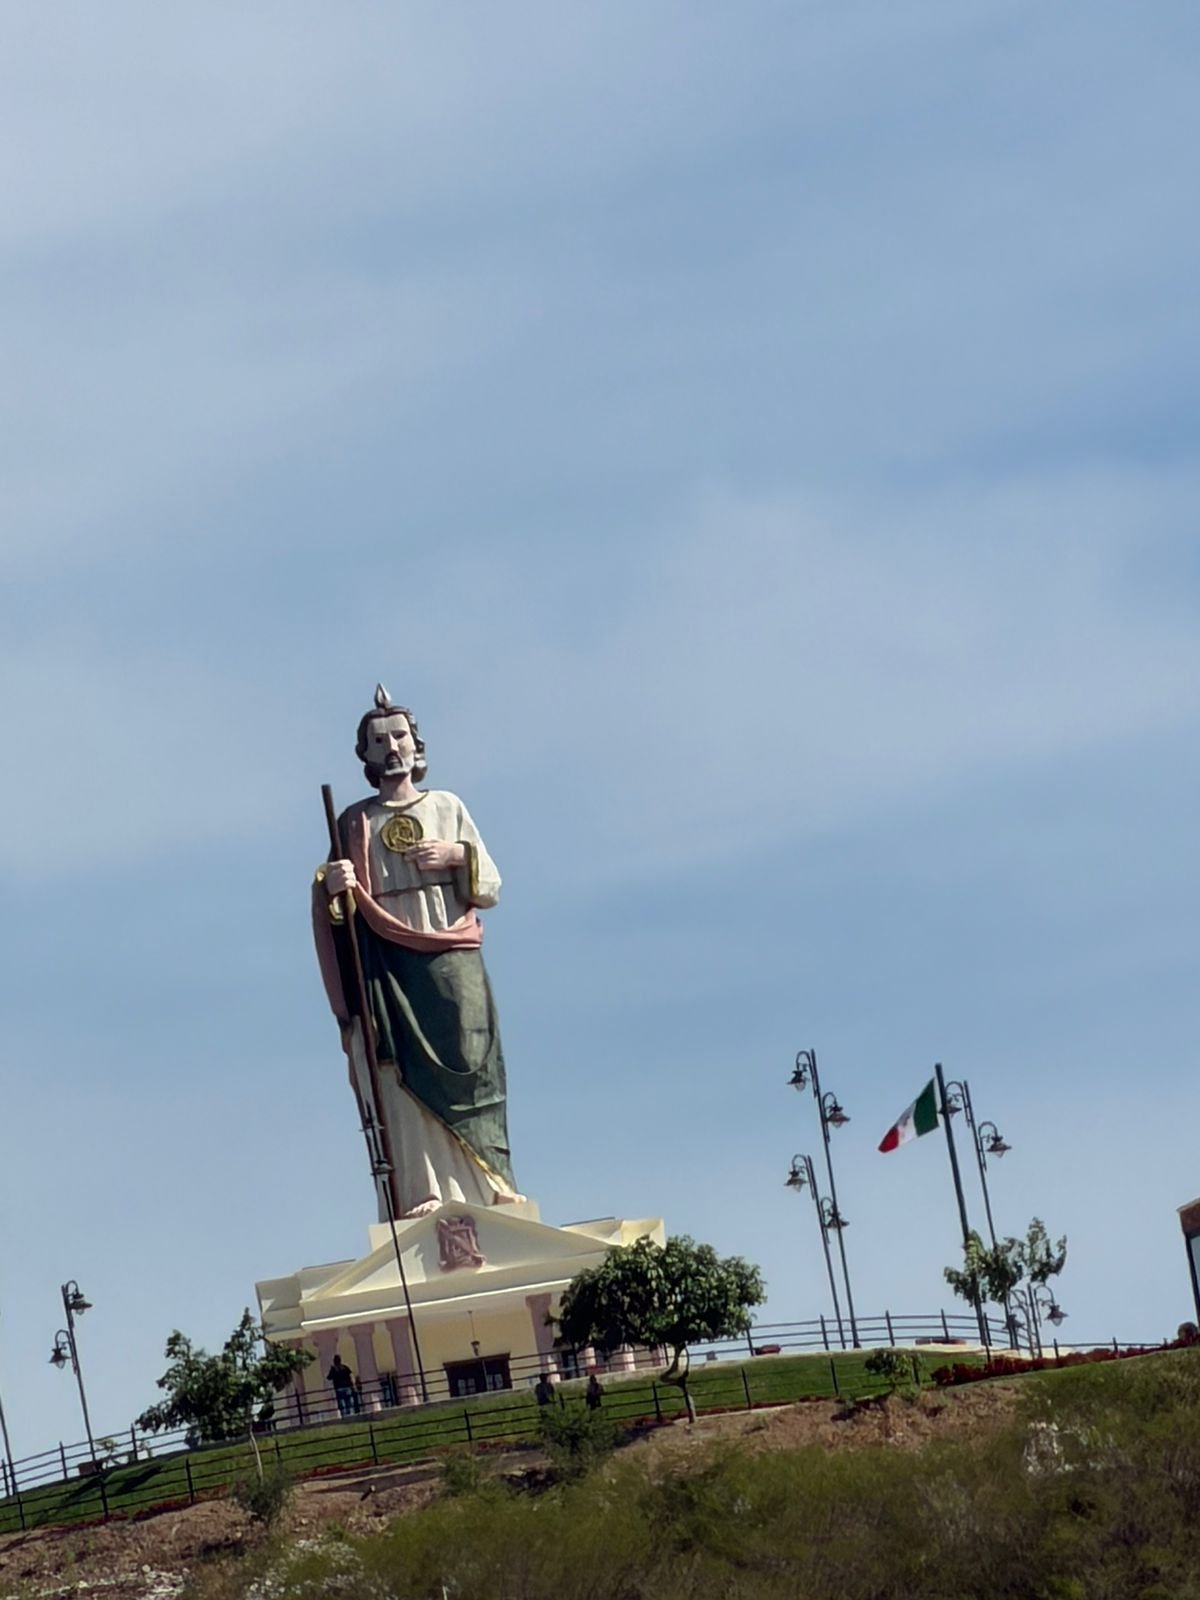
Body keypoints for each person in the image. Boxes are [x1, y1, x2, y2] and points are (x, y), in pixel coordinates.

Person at [314, 686, 524, 1220]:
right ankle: (421, 1187)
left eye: (400, 736)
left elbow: (491, 886)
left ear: (416, 744)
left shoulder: (447, 806)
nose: (392, 747)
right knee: (397, 1067)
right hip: (387, 957)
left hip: (451, 950)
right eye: (379, 740)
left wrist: (457, 855)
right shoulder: (354, 822)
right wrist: (334, 886)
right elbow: (337, 913)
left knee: (472, 1058)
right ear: (364, 754)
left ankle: (490, 1180)